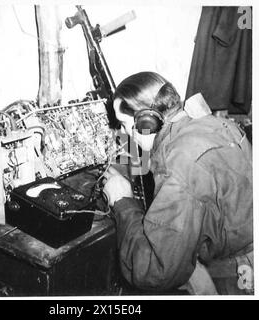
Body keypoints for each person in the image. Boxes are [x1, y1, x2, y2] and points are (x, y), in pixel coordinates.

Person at [102, 71, 253, 295]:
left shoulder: (179, 163)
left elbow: (155, 270)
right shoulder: (216, 124)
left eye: (124, 125)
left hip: (236, 277)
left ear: (147, 122)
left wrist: (123, 202)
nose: (123, 134)